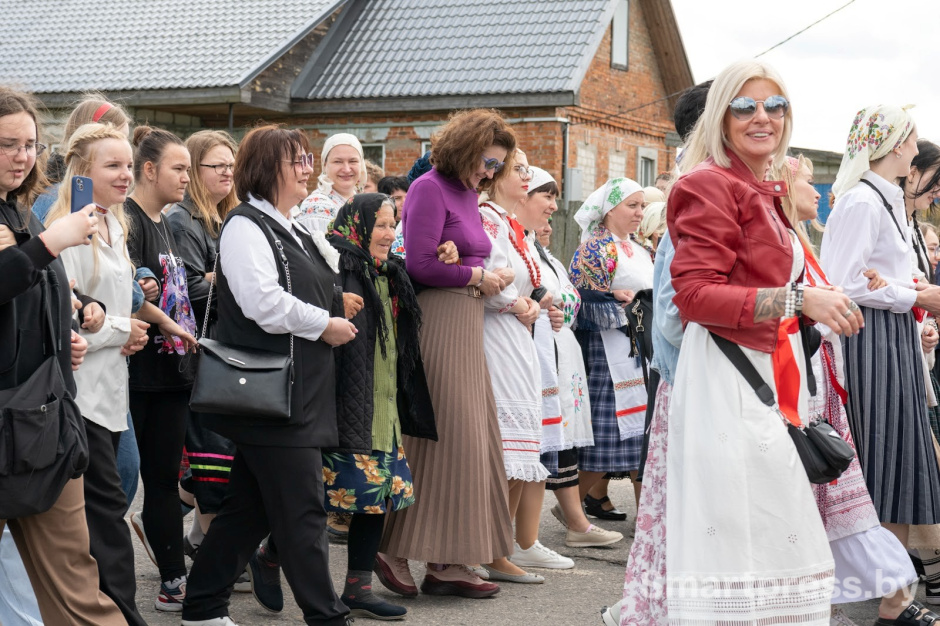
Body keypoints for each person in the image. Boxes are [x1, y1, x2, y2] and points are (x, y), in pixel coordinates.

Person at [665, 58, 864, 623]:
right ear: (721, 117)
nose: (763, 117)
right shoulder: (708, 184)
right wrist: (799, 302)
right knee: (743, 534)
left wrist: (819, 306)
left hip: (769, 374)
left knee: (772, 531)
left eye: (775, 106)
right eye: (746, 106)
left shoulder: (762, 186)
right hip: (730, 381)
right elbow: (695, 297)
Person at [181, 124, 357, 626]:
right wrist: (324, 322)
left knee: (247, 511)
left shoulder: (293, 226)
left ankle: (202, 606)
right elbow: (261, 303)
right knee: (304, 512)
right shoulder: (245, 225)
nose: (308, 168)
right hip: (275, 396)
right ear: (267, 168)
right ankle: (328, 617)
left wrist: (333, 303)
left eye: (307, 158)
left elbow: (300, 287)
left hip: (298, 391)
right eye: (297, 159)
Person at [0, 86, 126, 626]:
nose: (22, 156)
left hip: (40, 421)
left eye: (29, 144)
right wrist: (52, 243)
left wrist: (74, 321)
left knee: (76, 584)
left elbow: (36, 291)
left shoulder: (23, 213)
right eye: (7, 144)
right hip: (16, 416)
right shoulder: (43, 225)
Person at [377, 108, 513, 599]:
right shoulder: (429, 187)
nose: (489, 172)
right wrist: (476, 275)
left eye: (497, 166)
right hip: (437, 323)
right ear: (461, 148)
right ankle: (391, 544)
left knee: (465, 442)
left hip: (467, 322)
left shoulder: (468, 194)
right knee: (439, 438)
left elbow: (459, 256)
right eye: (485, 161)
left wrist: (484, 274)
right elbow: (417, 265)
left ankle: (447, 560)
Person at [780, 154, 920, 624]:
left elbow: (836, 291)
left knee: (829, 498)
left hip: (820, 383)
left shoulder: (802, 244)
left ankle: (846, 597)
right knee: (816, 496)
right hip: (799, 384)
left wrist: (885, 286)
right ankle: (843, 598)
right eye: (805, 181)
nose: (817, 192)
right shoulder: (787, 245)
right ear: (783, 186)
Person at [822, 105, 940, 623]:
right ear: (895, 144)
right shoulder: (862, 203)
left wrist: (897, 290)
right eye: (912, 139)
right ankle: (887, 593)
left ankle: (892, 589)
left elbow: (882, 279)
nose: (917, 149)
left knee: (894, 462)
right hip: (871, 342)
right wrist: (902, 293)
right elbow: (842, 283)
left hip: (892, 339)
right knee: (881, 460)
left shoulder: (885, 200)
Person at [322, 193, 437, 620]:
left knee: (375, 498)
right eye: (380, 225)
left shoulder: (391, 273)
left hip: (382, 408)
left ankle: (357, 589)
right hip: (344, 405)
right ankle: (270, 556)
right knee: (322, 497)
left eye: (393, 225)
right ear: (357, 227)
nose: (389, 234)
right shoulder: (337, 270)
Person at [523, 167, 623, 553]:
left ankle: (572, 523)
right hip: (535, 353)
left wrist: (560, 309)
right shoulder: (526, 250)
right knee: (537, 443)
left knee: (560, 441)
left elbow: (566, 297)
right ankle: (525, 536)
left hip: (561, 354)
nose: (553, 208)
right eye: (545, 197)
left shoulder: (544, 255)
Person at [477, 150, 561, 582]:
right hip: (497, 336)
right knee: (507, 449)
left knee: (518, 448)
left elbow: (519, 280)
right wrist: (520, 302)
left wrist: (538, 302)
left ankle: (500, 547)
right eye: (520, 170)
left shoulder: (509, 223)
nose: (527, 177)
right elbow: (489, 282)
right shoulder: (488, 218)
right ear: (496, 176)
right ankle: (492, 549)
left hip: (516, 337)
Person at [124, 125, 199, 611]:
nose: (186, 178)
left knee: (164, 478)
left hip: (171, 376)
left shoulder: (168, 222)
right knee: (133, 481)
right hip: (136, 374)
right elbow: (130, 288)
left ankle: (174, 579)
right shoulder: (127, 220)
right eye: (179, 168)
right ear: (148, 169)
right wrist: (171, 324)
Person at [166, 129, 239, 558]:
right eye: (218, 165)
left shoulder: (223, 215)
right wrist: (230, 276)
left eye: (231, 164)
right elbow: (186, 287)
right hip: (199, 352)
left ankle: (195, 537)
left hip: (221, 350)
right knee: (211, 453)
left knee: (217, 453)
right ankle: (211, 552)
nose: (228, 172)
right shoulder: (183, 219)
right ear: (195, 170)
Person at [569, 177, 652, 517]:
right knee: (610, 432)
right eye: (632, 206)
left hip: (637, 346)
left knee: (638, 432)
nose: (639, 213)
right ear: (609, 210)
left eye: (641, 206)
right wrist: (615, 300)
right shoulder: (594, 248)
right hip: (607, 350)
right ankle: (572, 507)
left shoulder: (638, 247)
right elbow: (580, 297)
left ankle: (646, 515)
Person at [297, 133, 367, 233]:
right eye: (338, 161)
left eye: (353, 161)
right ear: (325, 165)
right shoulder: (316, 206)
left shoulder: (361, 202)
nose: (347, 169)